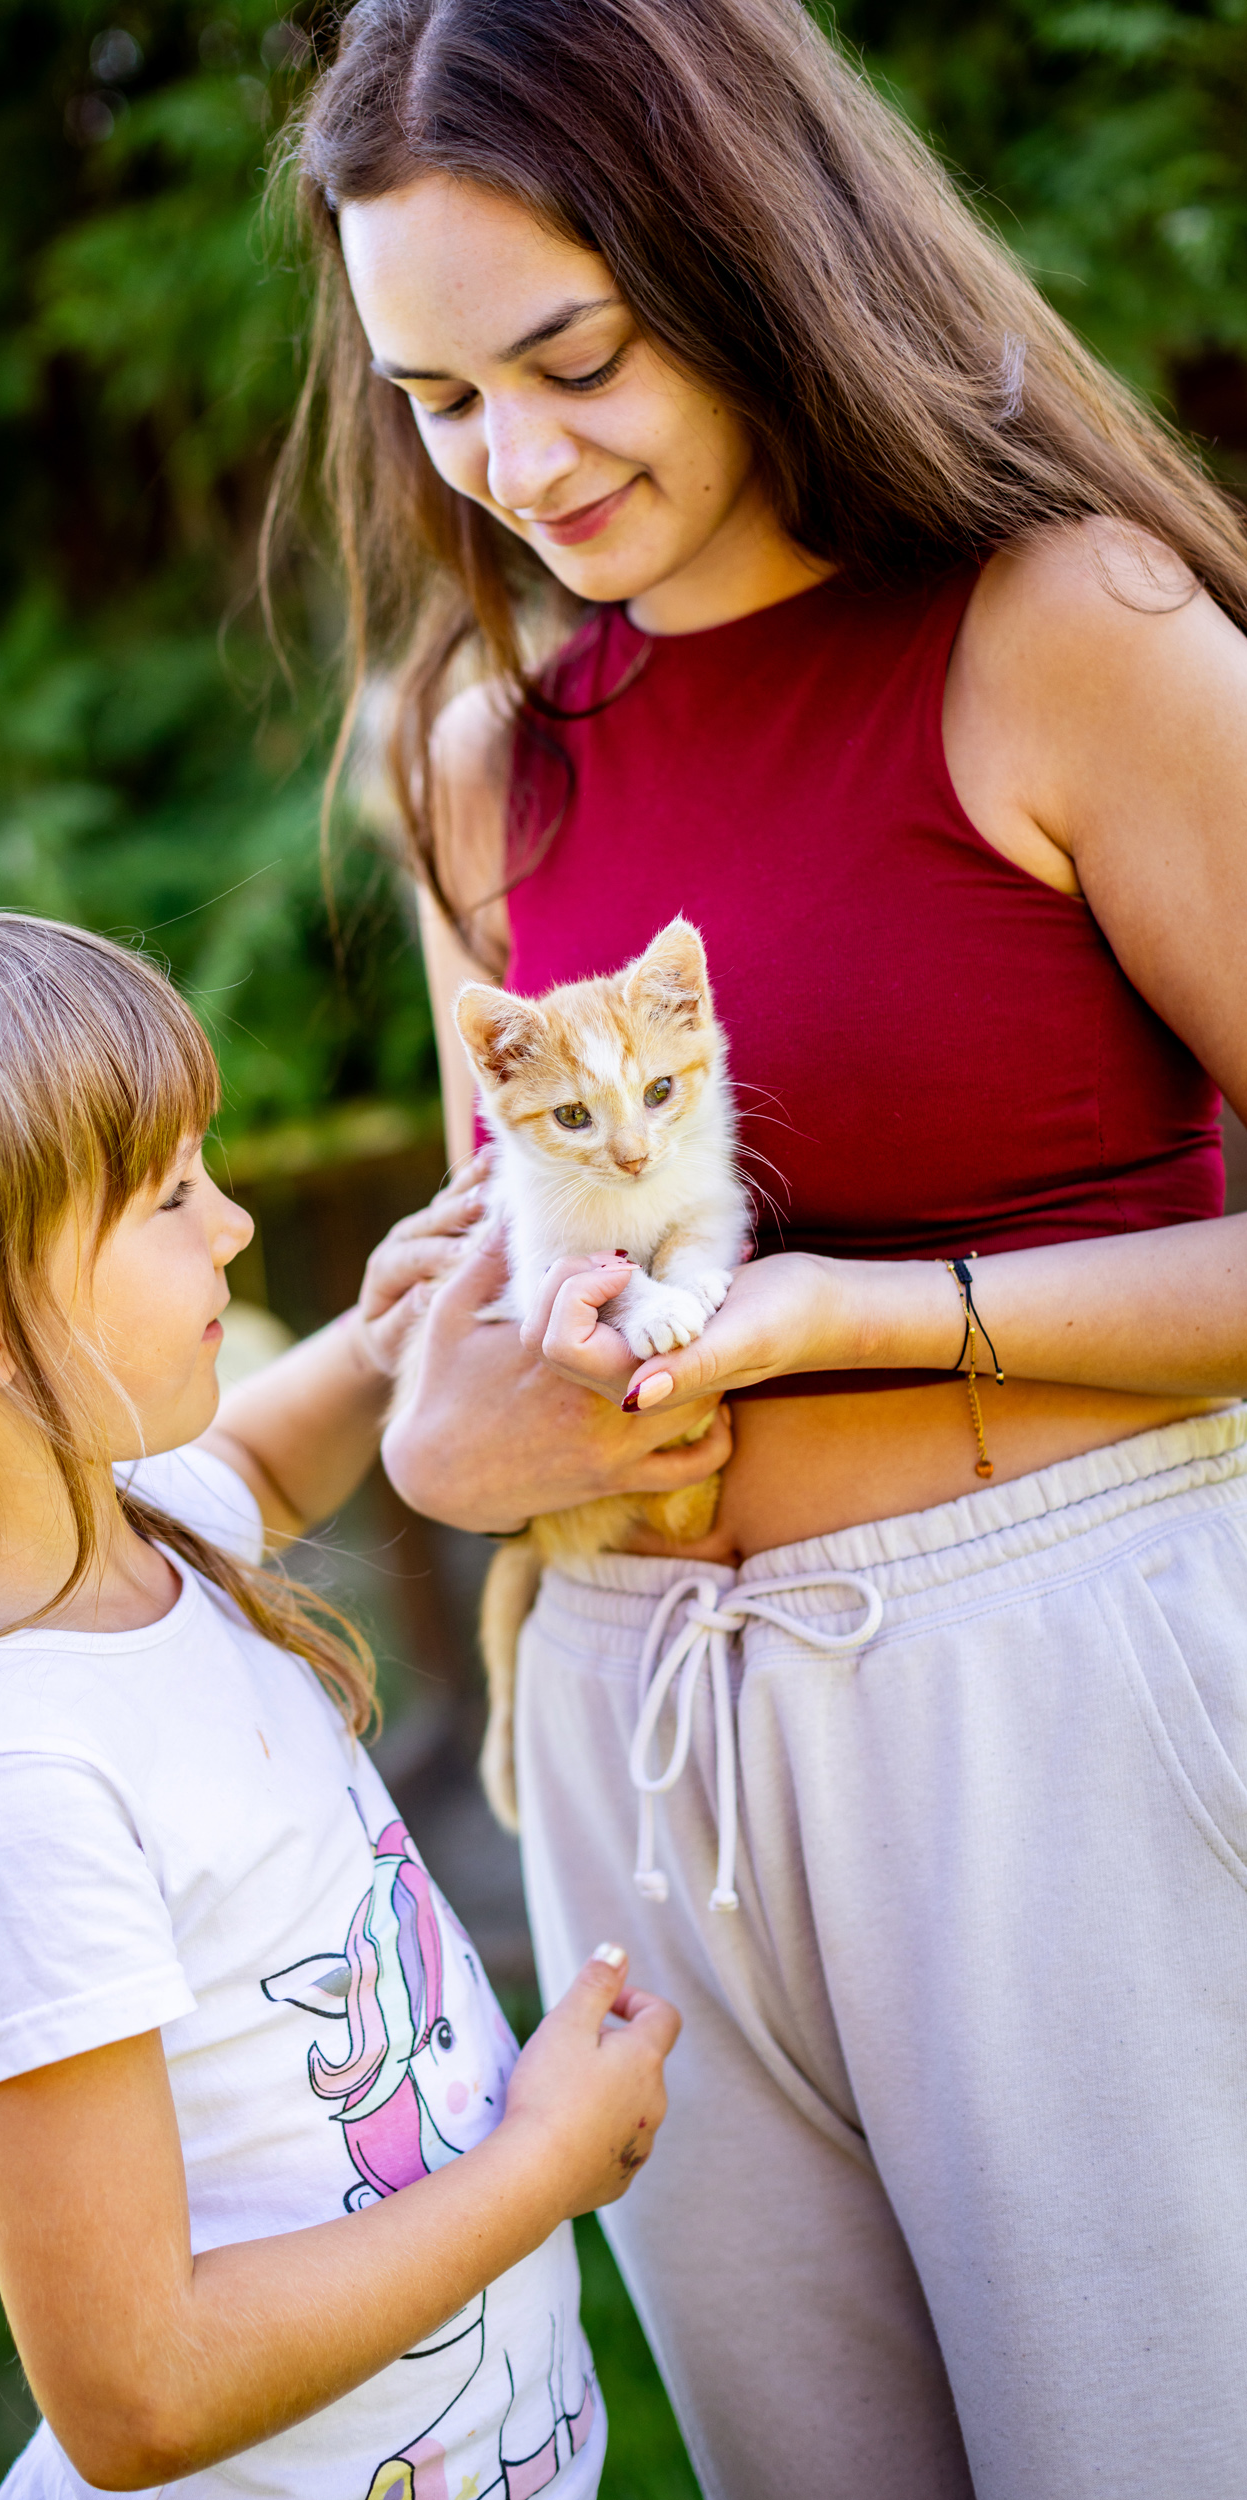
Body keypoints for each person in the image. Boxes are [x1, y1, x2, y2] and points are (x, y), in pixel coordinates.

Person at [274, 1, 1247, 2494]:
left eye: (570, 357)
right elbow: (487, 1324)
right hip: (640, 1757)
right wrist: (457, 1436)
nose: (518, 461)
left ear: (744, 255)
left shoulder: (1072, 632)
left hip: (1059, 1721)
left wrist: (869, 1316)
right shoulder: (471, 756)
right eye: (441, 399)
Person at [0, 900, 681, 2500]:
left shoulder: (130, 1535)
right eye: (172, 1195)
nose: (235, 1228)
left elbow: (247, 1462)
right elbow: (139, 2390)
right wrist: (542, 2168)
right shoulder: (8, 1795)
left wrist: (386, 1337)